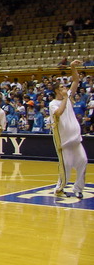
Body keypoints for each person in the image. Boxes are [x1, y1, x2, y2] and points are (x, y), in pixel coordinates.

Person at [49, 60, 88, 198]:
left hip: (76, 140)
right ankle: (59, 189)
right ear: (56, 91)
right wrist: (66, 97)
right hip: (64, 143)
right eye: (61, 87)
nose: (64, 88)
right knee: (65, 169)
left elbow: (76, 80)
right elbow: (59, 112)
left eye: (64, 86)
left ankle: (78, 189)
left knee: (83, 161)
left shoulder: (68, 96)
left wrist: (72, 67)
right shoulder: (53, 104)